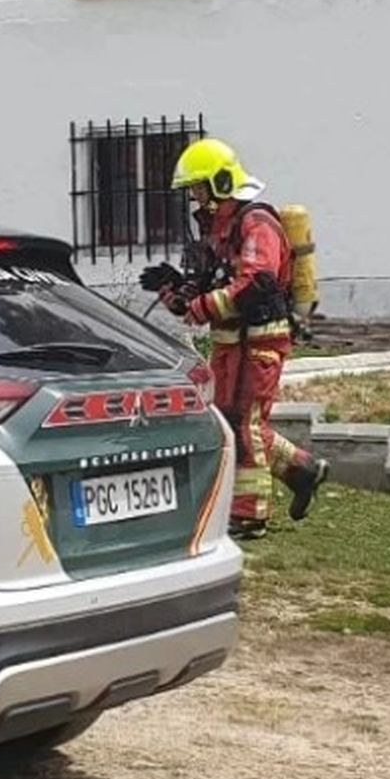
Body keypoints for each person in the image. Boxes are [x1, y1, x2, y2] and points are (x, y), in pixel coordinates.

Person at [142, 138, 328, 540]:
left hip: (259, 339)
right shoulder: (218, 229)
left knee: (245, 425)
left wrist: (203, 306)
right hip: (230, 341)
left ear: (221, 183)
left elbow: (256, 282)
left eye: (198, 188)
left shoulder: (256, 223)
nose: (194, 197)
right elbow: (203, 289)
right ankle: (303, 470)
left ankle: (249, 516)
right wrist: (172, 291)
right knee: (230, 421)